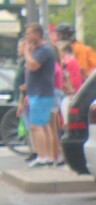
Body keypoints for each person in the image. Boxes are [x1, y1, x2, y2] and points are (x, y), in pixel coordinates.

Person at [19, 24, 58, 168]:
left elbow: (33, 65)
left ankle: (42, 157)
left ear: (37, 34)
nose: (27, 37)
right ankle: (46, 156)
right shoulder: (38, 50)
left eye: (29, 33)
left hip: (41, 93)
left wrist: (26, 52)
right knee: (43, 126)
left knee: (36, 126)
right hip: (36, 92)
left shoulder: (44, 50)